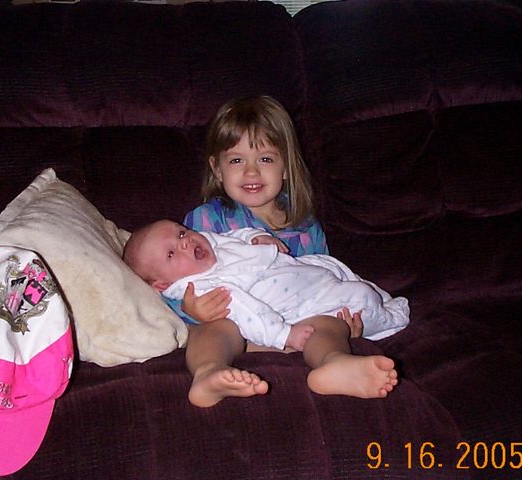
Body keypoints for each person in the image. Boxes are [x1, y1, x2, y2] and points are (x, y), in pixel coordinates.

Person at [123, 219, 408, 407]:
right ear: (163, 285)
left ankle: (334, 363)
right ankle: (208, 372)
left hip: (306, 304)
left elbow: (235, 237)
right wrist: (285, 335)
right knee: (212, 329)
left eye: (182, 233)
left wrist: (258, 237)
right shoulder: (200, 286)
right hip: (261, 325)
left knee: (326, 327)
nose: (184, 242)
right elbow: (248, 310)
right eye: (171, 254)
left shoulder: (213, 244)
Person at [174, 95, 329, 325]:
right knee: (215, 332)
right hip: (231, 321)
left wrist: (344, 316)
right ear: (217, 169)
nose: (251, 172)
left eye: (265, 159)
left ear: (286, 167)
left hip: (297, 323)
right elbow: (172, 284)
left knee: (329, 329)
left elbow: (327, 281)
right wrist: (190, 310)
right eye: (237, 161)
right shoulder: (206, 221)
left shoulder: (306, 226)